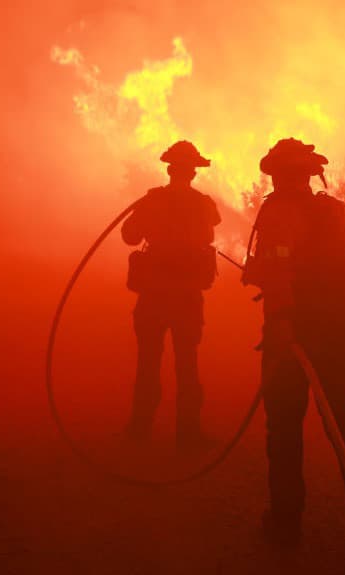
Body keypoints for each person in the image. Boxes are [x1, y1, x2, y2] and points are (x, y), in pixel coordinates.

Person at [242, 138, 345, 548]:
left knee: (284, 429)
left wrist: (279, 318)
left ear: (279, 174)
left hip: (294, 335)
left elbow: (278, 270)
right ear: (310, 175)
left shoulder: (280, 212)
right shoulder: (336, 211)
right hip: (340, 334)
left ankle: (284, 523)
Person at [121, 140, 221, 451]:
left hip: (153, 295)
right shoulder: (204, 204)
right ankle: (188, 433)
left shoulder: (152, 200)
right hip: (187, 297)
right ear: (192, 173)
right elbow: (211, 231)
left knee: (148, 362)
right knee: (187, 364)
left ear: (169, 169)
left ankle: (139, 430)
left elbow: (129, 236)